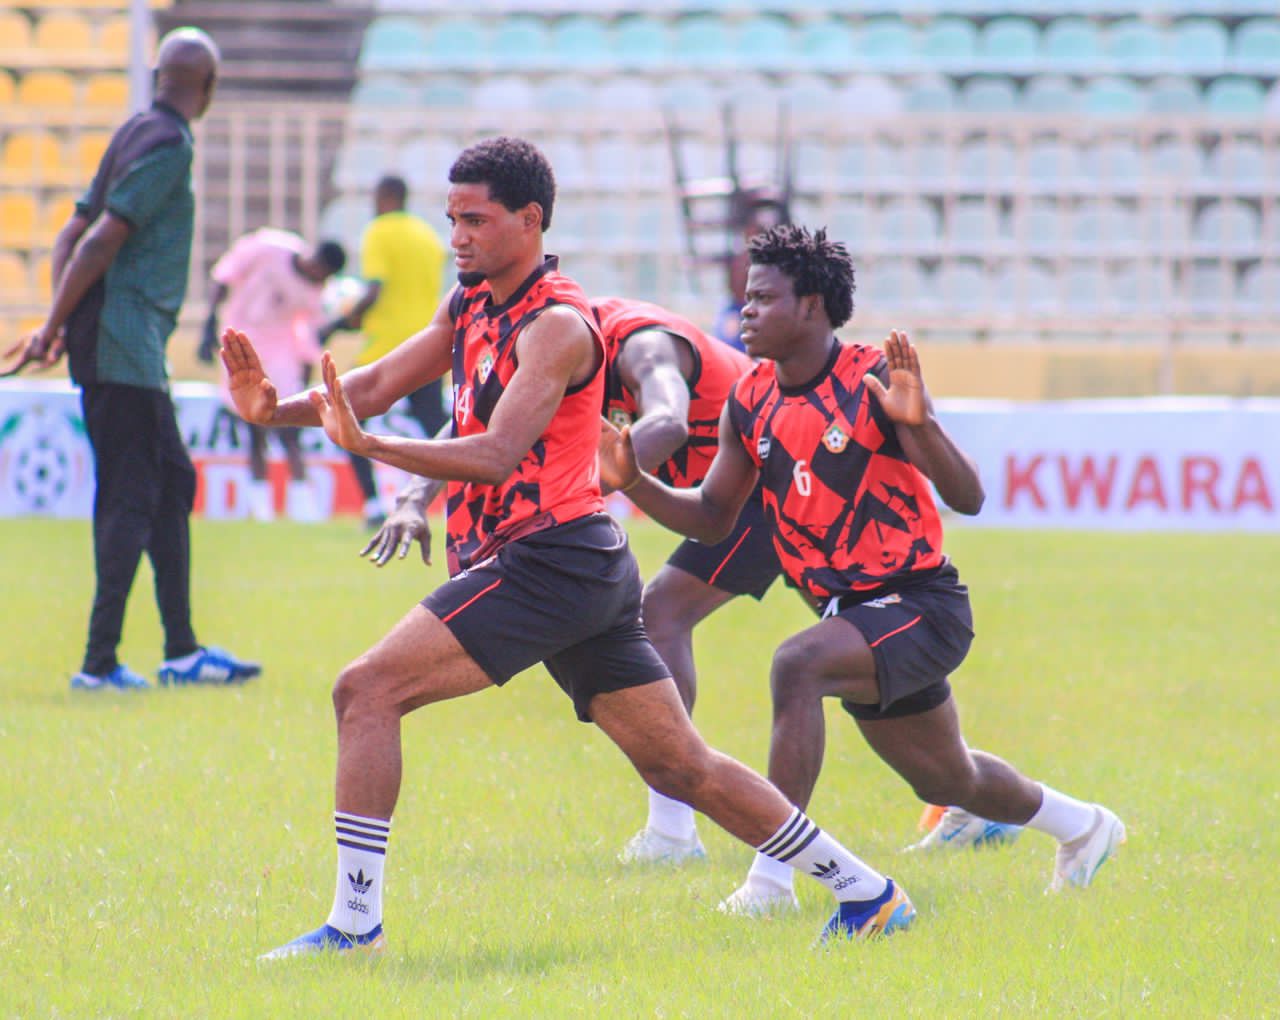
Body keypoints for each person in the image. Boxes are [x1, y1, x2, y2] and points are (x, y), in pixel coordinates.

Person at [222, 137, 915, 957]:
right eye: (452, 219)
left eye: (475, 220)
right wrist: (276, 408)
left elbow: (493, 453)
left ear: (531, 219)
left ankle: (353, 926)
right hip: (573, 564)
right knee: (682, 768)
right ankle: (868, 892)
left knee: (365, 691)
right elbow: (366, 388)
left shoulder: (557, 326)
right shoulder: (469, 302)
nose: (459, 236)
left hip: (550, 561)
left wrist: (371, 450)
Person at [599, 224, 1125, 914]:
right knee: (949, 777)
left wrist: (923, 423)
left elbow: (967, 496)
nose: (745, 309)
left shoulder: (872, 378)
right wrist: (634, 481)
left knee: (796, 665)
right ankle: (1083, 825)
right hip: (851, 617)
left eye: (763, 297)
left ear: (811, 306)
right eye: (746, 297)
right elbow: (711, 518)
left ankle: (771, 881)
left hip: (921, 605)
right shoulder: (749, 398)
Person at [2, 28, 260, 691]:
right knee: (132, 496)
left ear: (155, 73)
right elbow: (99, 242)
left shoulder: (131, 132)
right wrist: (57, 323)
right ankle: (98, 663)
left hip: (115, 343)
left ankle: (181, 650)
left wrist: (60, 324)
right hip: (125, 346)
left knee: (171, 482)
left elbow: (71, 231)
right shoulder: (169, 144)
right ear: (208, 88)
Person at [318, 174, 450, 528]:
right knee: (441, 428)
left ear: (388, 196)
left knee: (347, 419)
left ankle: (374, 504)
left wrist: (336, 324)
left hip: (389, 347)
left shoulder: (379, 231)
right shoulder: (427, 236)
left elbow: (375, 290)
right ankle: (476, 496)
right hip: (429, 347)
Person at [201, 229, 346, 522]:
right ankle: (261, 506)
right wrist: (208, 324)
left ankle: (302, 504)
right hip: (241, 345)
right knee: (254, 430)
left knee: (289, 431)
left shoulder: (315, 292)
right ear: (317, 263)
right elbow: (224, 275)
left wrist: (307, 369)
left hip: (281, 357)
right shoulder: (269, 247)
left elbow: (309, 333)